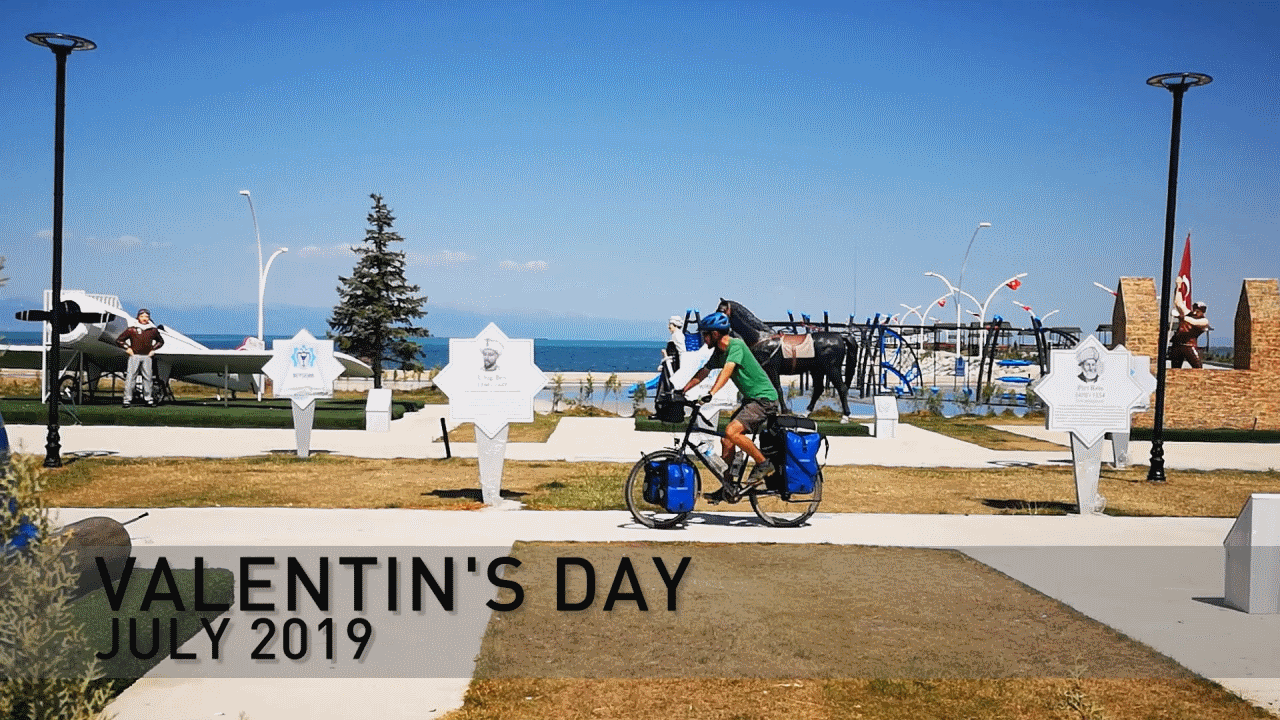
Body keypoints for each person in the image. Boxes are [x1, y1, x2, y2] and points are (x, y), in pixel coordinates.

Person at [678, 311, 779, 502]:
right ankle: (727, 486)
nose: (703, 337)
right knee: (727, 441)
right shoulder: (719, 353)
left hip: (764, 400)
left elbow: (727, 371)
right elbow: (703, 372)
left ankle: (764, 464)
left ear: (715, 334)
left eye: (705, 334)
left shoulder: (736, 346)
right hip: (752, 400)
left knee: (732, 432)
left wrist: (711, 393)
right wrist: (684, 389)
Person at [116, 308, 164, 407]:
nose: (144, 318)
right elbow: (119, 340)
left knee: (148, 378)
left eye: (146, 316)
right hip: (135, 356)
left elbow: (160, 341)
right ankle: (127, 399)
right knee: (130, 378)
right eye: (142, 316)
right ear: (138, 317)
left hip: (147, 356)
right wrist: (127, 348)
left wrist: (153, 349)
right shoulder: (132, 329)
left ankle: (148, 399)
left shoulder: (153, 330)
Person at [1170, 281, 1209, 369]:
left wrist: (1181, 317)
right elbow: (1178, 302)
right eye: (1194, 309)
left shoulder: (1204, 321)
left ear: (1202, 312)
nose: (1195, 312)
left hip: (1190, 346)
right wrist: (1178, 287)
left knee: (1198, 367)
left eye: (1197, 311)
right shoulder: (1188, 313)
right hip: (1178, 345)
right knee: (1175, 369)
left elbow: (1194, 322)